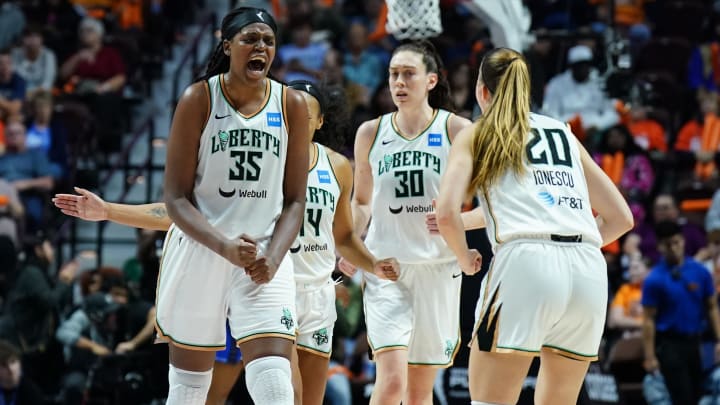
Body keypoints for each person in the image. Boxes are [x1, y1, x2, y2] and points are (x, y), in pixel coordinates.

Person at [53, 80, 400, 404]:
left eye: (304, 115)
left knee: (309, 399)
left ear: (320, 121)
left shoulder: (337, 166)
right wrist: (110, 210)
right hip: (272, 286)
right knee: (281, 392)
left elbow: (343, 236)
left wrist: (372, 265)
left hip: (319, 293)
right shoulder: (258, 162)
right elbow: (181, 211)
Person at [435, 47, 633, 405]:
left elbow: (445, 213)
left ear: (482, 91)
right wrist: (567, 247)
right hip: (588, 270)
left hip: (525, 265)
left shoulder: (479, 132)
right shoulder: (563, 133)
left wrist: (464, 258)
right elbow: (621, 218)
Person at [161, 7, 309, 404]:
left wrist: (274, 257)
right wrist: (224, 247)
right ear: (227, 46)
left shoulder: (291, 104)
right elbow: (174, 198)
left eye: (268, 40)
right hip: (201, 249)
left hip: (264, 255)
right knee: (189, 392)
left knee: (276, 386)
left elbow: (296, 199)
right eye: (250, 39)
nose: (260, 46)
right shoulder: (199, 99)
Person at [350, 39, 472, 405]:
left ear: (431, 81)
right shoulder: (370, 132)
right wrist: (349, 242)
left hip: (437, 267)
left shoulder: (457, 130)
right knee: (390, 384)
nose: (399, 82)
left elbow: (481, 198)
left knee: (419, 394)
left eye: (408, 74)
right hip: (387, 267)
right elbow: (361, 201)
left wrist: (457, 218)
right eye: (393, 75)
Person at [642, 220, 720, 405]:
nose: (673, 248)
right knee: (682, 395)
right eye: (668, 244)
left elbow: (712, 307)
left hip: (697, 343)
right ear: (660, 246)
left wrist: (719, 340)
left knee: (699, 393)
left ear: (683, 241)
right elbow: (648, 320)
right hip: (670, 344)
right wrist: (650, 356)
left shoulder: (700, 272)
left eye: (676, 242)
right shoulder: (654, 279)